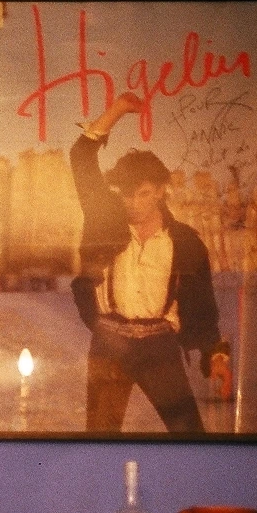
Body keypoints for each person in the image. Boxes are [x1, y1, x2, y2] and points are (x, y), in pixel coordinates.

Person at [69, 91, 221, 436]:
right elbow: (81, 157)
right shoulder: (104, 220)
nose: (134, 204)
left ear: (161, 190)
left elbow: (203, 304)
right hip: (109, 344)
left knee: (189, 434)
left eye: (144, 194)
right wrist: (118, 110)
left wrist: (214, 354)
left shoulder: (185, 241)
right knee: (100, 438)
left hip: (159, 347)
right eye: (127, 195)